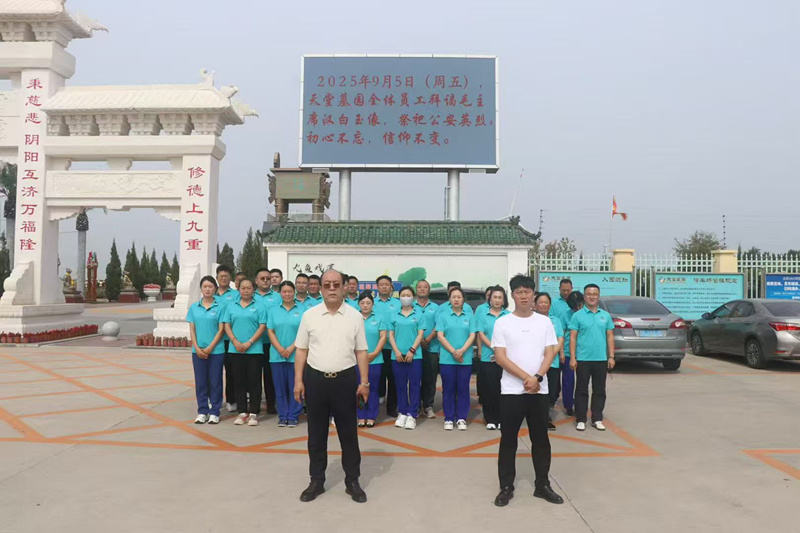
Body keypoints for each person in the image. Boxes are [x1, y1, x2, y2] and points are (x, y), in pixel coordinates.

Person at [294, 269, 370, 503]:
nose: (332, 288)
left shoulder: (355, 316)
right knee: (316, 434)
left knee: (348, 434)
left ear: (344, 287)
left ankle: (352, 481)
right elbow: (301, 350)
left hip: (345, 380)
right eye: (327, 285)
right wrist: (298, 380)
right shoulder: (310, 315)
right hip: (315, 380)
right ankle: (316, 480)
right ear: (321, 288)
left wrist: (364, 382)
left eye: (336, 284)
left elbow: (361, 351)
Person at [491, 274, 563, 507]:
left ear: (533, 294)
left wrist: (538, 377)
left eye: (527, 291)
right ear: (512, 295)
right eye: (519, 292)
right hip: (511, 391)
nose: (523, 295)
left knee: (541, 439)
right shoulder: (502, 323)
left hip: (539, 390)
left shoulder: (544, 322)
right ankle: (506, 487)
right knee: (508, 440)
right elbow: (500, 357)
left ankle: (542, 485)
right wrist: (526, 378)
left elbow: (550, 352)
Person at [569, 284, 615, 431]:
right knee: (581, 390)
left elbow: (610, 336)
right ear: (584, 296)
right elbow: (573, 337)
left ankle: (597, 418)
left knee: (599, 390)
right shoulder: (577, 316)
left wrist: (611, 356)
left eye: (595, 294)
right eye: (589, 294)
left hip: (601, 359)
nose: (592, 297)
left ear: (598, 296)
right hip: (583, 359)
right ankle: (581, 419)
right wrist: (573, 358)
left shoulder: (605, 315)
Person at [221, 278, 266, 427]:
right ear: (238, 289)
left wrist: (250, 342)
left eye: (249, 288)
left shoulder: (259, 306)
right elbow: (226, 325)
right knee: (238, 381)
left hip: (254, 350)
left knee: (254, 382)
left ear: (253, 289)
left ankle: (253, 413)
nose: (246, 290)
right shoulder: (231, 306)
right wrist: (234, 341)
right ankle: (242, 412)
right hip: (235, 349)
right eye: (243, 288)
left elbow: (262, 326)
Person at [436, 287, 477, 430]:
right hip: (447, 359)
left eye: (459, 297)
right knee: (448, 388)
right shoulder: (443, 315)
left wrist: (462, 351)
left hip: (465, 359)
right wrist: (454, 352)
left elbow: (472, 335)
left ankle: (461, 418)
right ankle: (448, 418)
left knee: (463, 388)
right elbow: (440, 336)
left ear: (463, 299)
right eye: (453, 297)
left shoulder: (469, 316)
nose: (456, 299)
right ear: (449, 299)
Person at [187, 275, 225, 424]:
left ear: (215, 289)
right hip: (197, 351)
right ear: (201, 289)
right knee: (201, 381)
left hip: (216, 350)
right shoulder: (194, 308)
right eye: (205, 287)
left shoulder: (220, 307)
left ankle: (215, 411)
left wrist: (209, 348)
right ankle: (202, 410)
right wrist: (197, 347)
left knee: (215, 381)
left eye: (210, 286)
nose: (207, 289)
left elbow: (221, 330)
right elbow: (192, 329)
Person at [267, 280, 305, 428]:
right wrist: (280, 348)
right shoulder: (273, 310)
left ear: (294, 292)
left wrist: (291, 348)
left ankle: (294, 415)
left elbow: (304, 332)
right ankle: (283, 415)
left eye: (290, 291)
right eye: (284, 291)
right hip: (277, 356)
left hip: (296, 355)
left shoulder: (302, 310)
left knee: (295, 386)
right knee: (280, 388)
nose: (287, 294)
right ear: (280, 293)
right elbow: (270, 331)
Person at [388, 286, 425, 430]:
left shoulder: (419, 314)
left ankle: (412, 414)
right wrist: (396, 351)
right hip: (397, 356)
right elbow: (391, 335)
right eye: (403, 295)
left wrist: (412, 350)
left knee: (414, 385)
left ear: (413, 297)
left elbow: (420, 334)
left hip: (415, 356)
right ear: (399, 297)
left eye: (408, 295)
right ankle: (402, 412)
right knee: (400, 384)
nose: (406, 297)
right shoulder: (394, 315)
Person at [476, 286, 510, 430]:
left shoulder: (509, 316)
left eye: (499, 297)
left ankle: (502, 418)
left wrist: (501, 349)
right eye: (494, 297)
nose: (497, 300)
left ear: (504, 300)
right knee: (489, 389)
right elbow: (481, 333)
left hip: (505, 358)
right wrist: (494, 346)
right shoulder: (483, 315)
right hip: (487, 356)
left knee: (503, 389)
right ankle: (490, 418)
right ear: (490, 299)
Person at [534, 292, 565, 431]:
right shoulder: (531, 320)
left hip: (552, 362)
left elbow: (560, 338)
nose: (543, 304)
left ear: (550, 305)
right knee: (537, 391)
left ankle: (546, 416)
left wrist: (552, 354)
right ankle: (540, 418)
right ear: (535, 305)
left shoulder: (555, 321)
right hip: (536, 362)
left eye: (545, 302)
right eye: (540, 302)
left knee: (552, 391)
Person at [356, 291, 387, 428]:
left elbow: (383, 337)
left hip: (375, 359)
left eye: (368, 303)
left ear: (373, 304)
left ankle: (371, 416)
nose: (365, 305)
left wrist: (375, 353)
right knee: (359, 388)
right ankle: (361, 415)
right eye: (362, 303)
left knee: (373, 389)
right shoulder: (354, 318)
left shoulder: (379, 318)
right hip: (357, 359)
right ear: (358, 304)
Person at [373, 275, 400, 418]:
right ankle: (374, 405)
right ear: (377, 287)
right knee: (377, 377)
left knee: (393, 378)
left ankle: (392, 407)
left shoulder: (398, 304)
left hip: (393, 348)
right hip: (376, 347)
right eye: (381, 284)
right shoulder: (371, 303)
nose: (384, 287)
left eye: (386, 284)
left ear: (391, 287)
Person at [214, 264, 239, 413]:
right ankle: (214, 399)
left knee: (232, 372)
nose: (223, 278)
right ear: (217, 278)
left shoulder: (236, 295)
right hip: (215, 340)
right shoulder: (211, 293)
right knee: (215, 372)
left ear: (230, 278)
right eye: (221, 276)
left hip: (230, 340)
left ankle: (231, 399)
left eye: (226, 276)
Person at [414, 279, 439, 419]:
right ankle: (416, 406)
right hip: (415, 348)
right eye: (419, 287)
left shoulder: (436, 307)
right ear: (416, 289)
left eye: (425, 287)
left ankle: (428, 406)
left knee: (430, 378)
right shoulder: (410, 306)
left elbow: (439, 325)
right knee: (415, 378)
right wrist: (419, 340)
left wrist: (428, 338)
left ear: (429, 290)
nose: (422, 289)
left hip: (432, 347)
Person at [254, 268, 279, 415]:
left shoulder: (277, 297)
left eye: (267, 278)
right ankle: (255, 405)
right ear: (256, 280)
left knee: (270, 376)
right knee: (255, 376)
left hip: (272, 343)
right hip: (254, 344)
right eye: (262, 278)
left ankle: (271, 404)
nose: (265, 281)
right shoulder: (250, 296)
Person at [560, 291, 584, 416]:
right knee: (568, 381)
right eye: (575, 307)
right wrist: (562, 352)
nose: (578, 309)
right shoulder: (566, 315)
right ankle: (568, 405)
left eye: (580, 305)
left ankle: (580, 404)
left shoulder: (586, 314)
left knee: (582, 381)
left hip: (583, 353)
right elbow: (561, 335)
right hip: (568, 352)